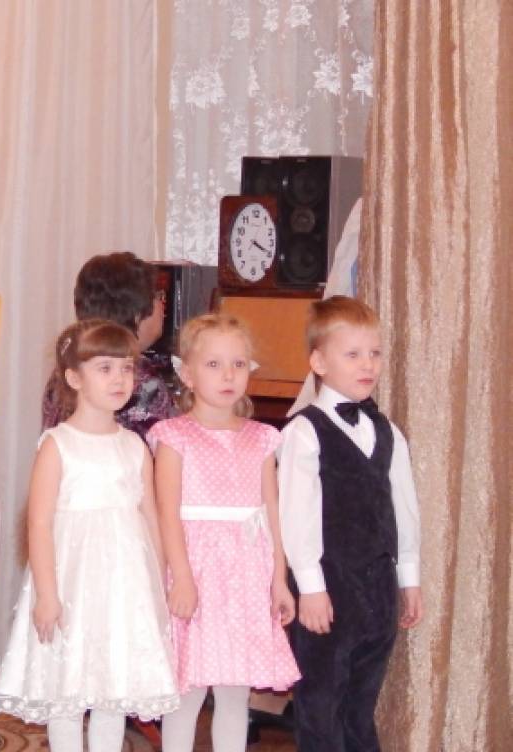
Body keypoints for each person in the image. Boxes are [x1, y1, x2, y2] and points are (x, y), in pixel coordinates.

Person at [0, 319, 180, 752]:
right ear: (75, 378)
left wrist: (159, 583)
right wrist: (47, 594)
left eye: (126, 368)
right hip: (72, 585)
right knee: (68, 688)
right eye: (105, 368)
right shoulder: (57, 444)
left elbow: (150, 517)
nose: (119, 379)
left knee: (114, 687)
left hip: (122, 589)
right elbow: (39, 524)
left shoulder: (134, 446)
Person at [147, 313, 300, 752]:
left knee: (235, 691)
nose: (228, 375)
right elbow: (167, 513)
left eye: (238, 364)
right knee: (188, 690)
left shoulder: (263, 438)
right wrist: (181, 577)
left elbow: (271, 513)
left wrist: (279, 579)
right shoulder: (174, 436)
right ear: (187, 374)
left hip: (246, 577)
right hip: (197, 573)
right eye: (214, 364)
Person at [278, 296, 423, 752]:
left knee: (361, 705)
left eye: (374, 353)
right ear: (319, 362)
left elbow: (403, 508)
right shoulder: (304, 431)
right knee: (321, 703)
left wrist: (409, 579)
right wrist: (311, 587)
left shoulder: (387, 431)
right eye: (353, 354)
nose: (368, 365)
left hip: (377, 589)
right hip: (328, 589)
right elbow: (296, 514)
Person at [41, 251, 176, 438]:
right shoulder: (144, 381)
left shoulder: (69, 365)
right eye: (158, 296)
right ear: (137, 315)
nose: (162, 306)